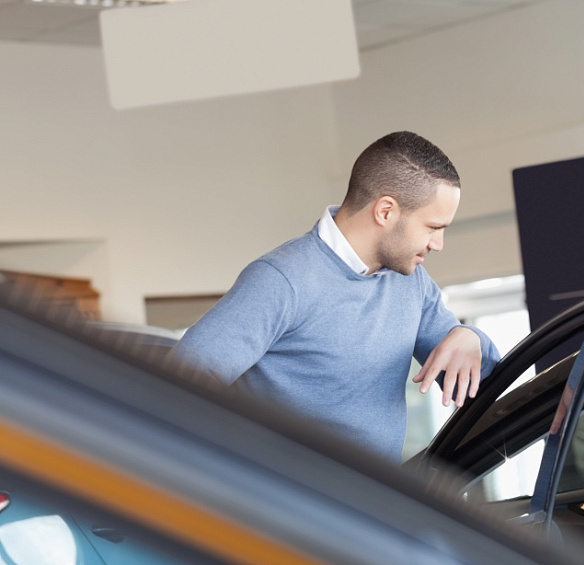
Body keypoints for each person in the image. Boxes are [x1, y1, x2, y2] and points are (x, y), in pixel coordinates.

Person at [170, 131, 501, 462]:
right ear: (386, 211)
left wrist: (468, 335)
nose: (438, 244)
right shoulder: (282, 280)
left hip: (370, 503)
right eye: (433, 227)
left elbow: (482, 384)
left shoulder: (412, 284)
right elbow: (176, 391)